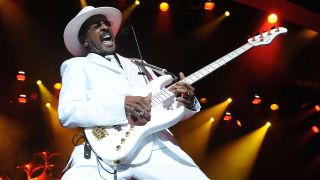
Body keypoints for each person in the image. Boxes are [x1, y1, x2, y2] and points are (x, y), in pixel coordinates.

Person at [58, 6, 209, 180]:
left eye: (105, 23)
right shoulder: (77, 65)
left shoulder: (139, 65)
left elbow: (163, 106)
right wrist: (121, 106)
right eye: (95, 26)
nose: (105, 27)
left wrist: (186, 102)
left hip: (155, 146)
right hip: (101, 152)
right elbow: (67, 112)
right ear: (84, 40)